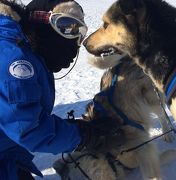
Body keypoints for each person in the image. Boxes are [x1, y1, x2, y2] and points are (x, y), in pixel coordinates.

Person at [0, 0, 124, 179]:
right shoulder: (12, 58)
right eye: (66, 26)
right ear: (42, 20)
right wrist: (86, 136)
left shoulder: (27, 49)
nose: (75, 41)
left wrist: (76, 129)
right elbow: (27, 129)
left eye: (79, 33)